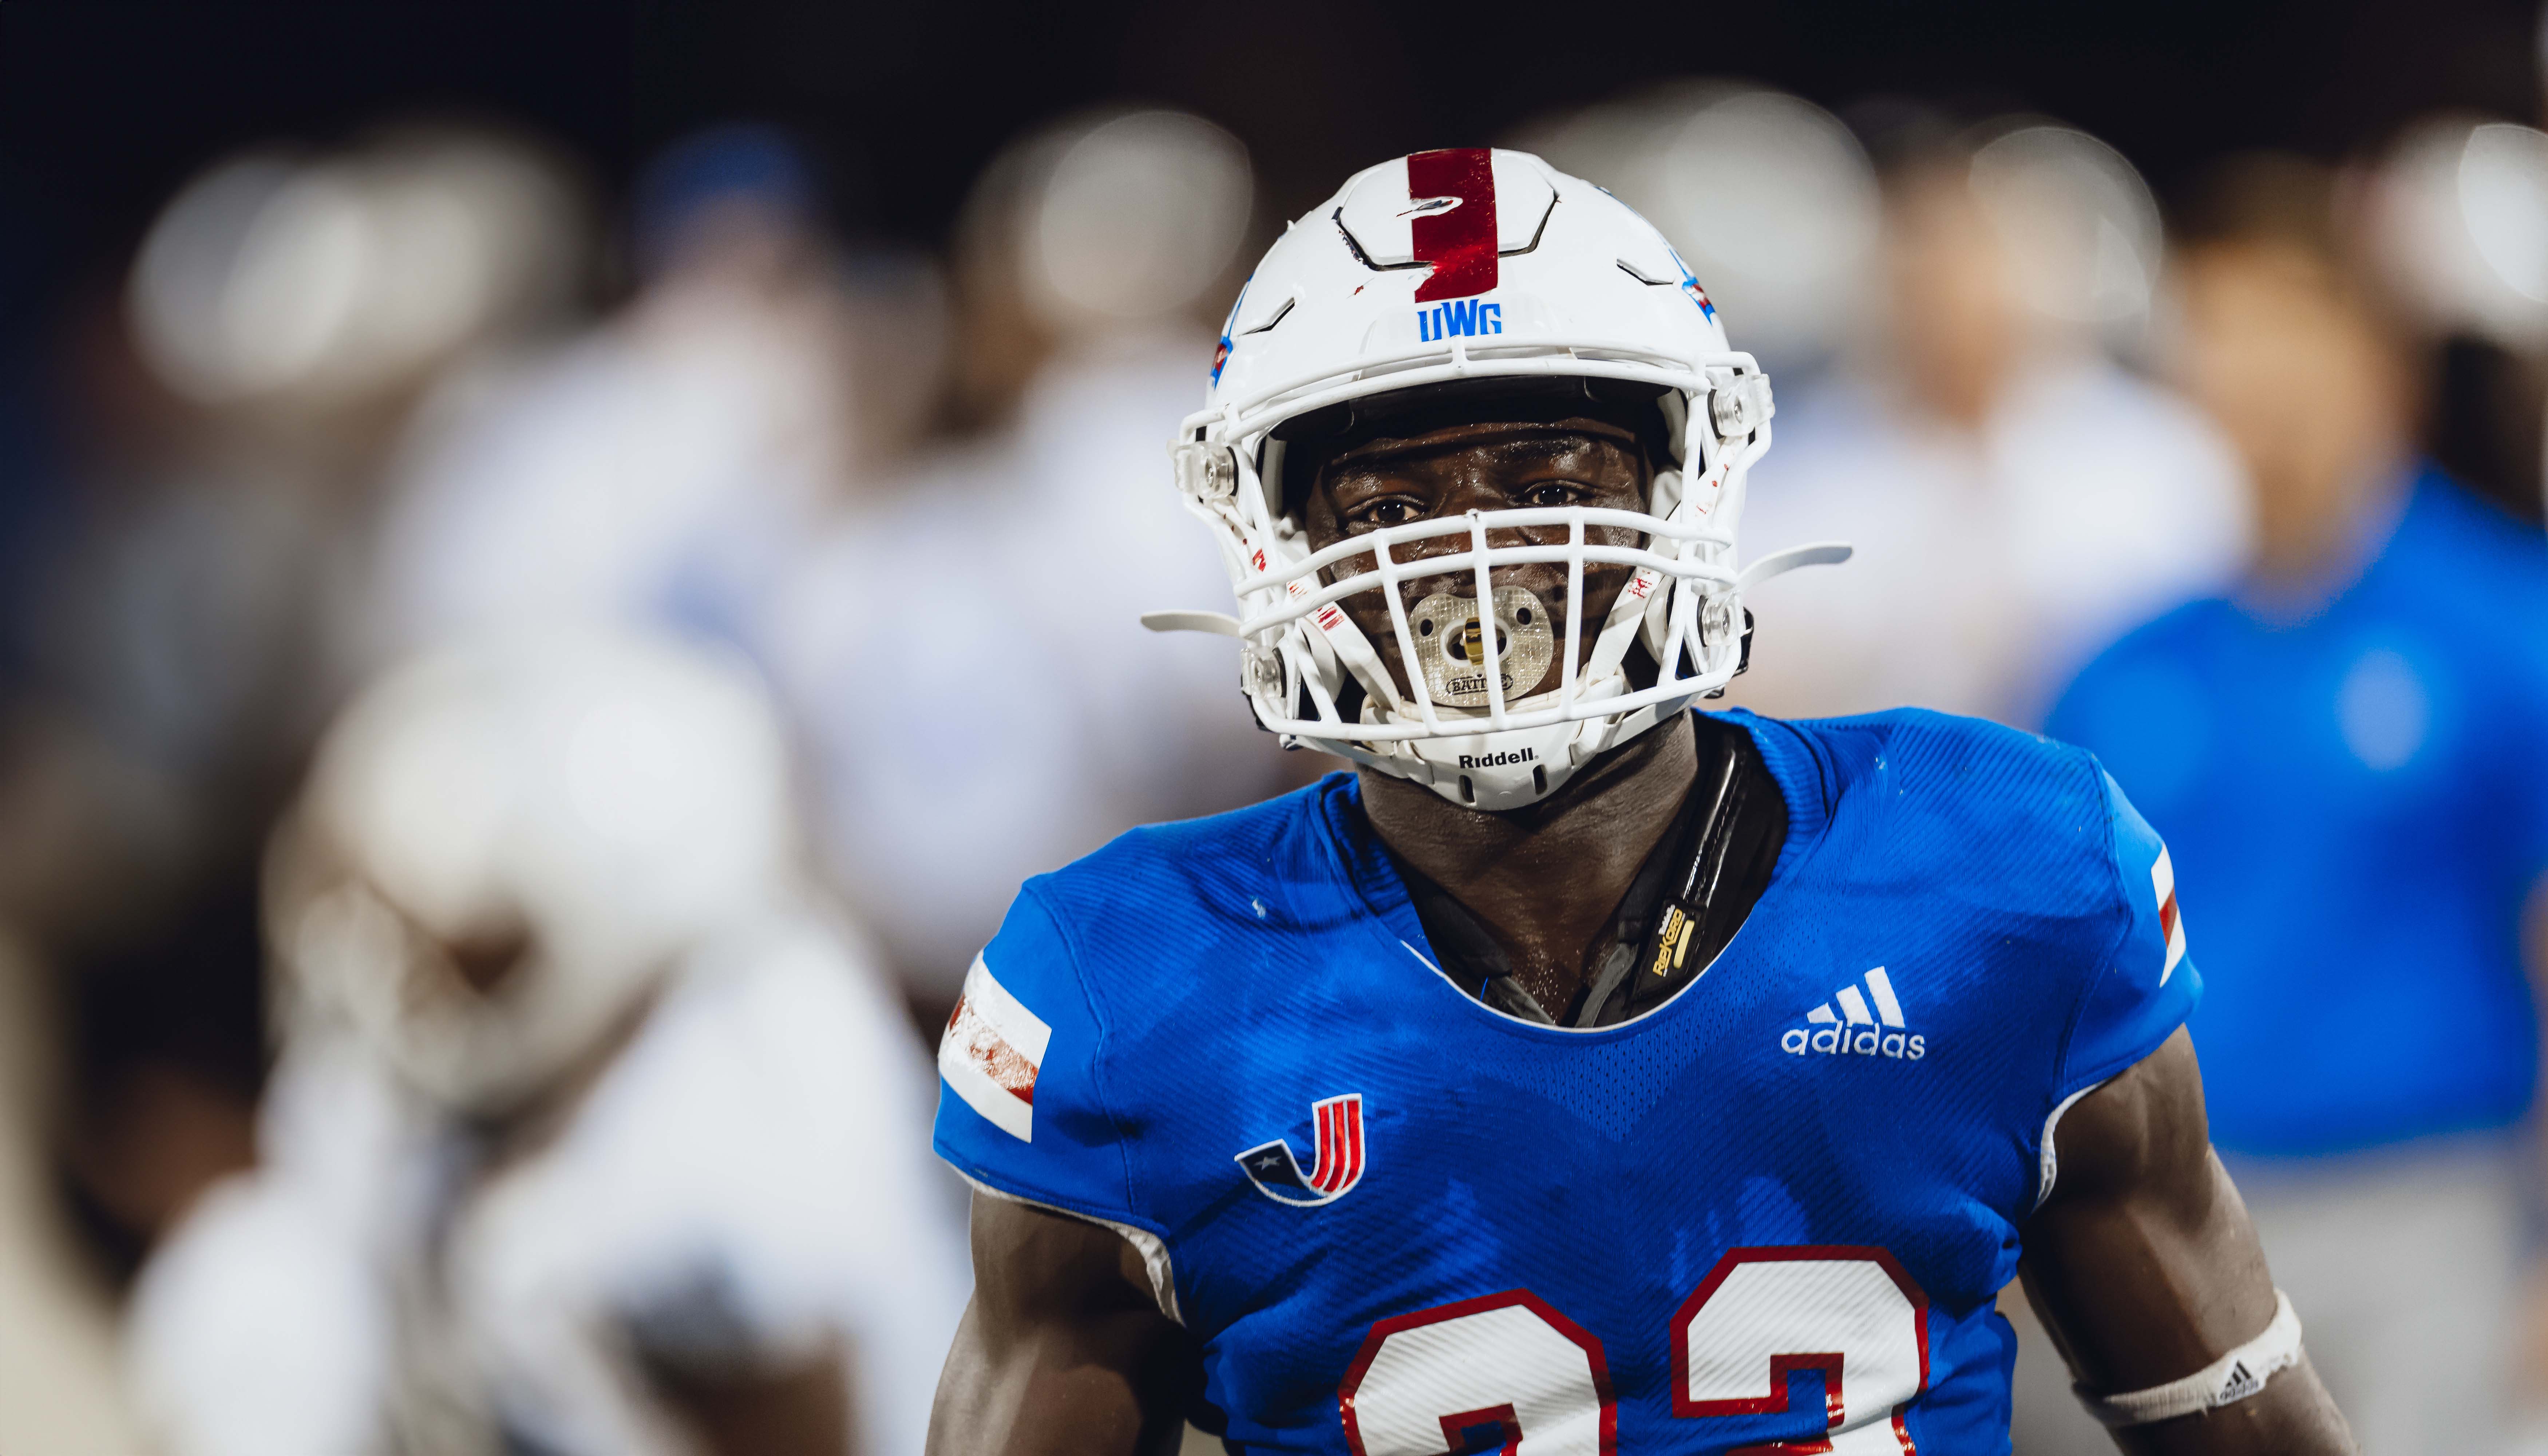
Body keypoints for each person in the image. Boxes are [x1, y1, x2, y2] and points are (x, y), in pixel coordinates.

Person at [925, 148, 2351, 1453]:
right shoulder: (1129, 992)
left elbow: (2240, 1426)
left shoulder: (1995, 875)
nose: (1473, 557)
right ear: (1270, 537)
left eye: (1547, 477)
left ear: (1692, 477)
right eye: (1384, 502)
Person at [124, 630, 967, 1456]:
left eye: (466, 954)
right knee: (254, 1303)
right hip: (478, 1385)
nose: (388, 976)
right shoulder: (552, 1036)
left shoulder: (729, 1158)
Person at [2045, 154, 2548, 1456]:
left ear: (2375, 352)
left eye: (2279, 322)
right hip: (2174, 1215)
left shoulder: (2504, 625)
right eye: (2212, 328)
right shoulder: (2119, 667)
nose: (2244, 369)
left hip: (2428, 1207)